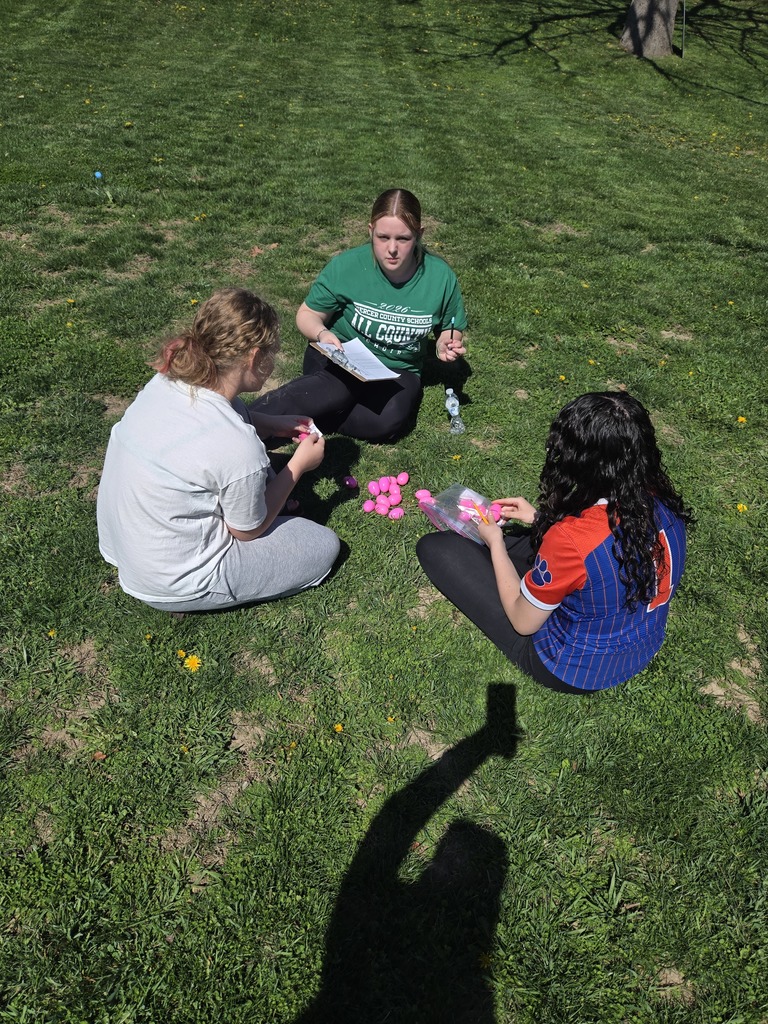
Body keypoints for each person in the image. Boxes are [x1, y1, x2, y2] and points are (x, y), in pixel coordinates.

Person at [416, 392, 693, 694]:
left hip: (573, 667)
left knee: (438, 549)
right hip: (639, 642)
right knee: (525, 546)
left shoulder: (571, 538)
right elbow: (605, 551)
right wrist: (538, 519)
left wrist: (495, 543)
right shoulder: (661, 500)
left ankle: (496, 551)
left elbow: (524, 623)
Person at [97, 288, 340, 614]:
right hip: (176, 581)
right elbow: (248, 530)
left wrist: (268, 422)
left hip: (130, 549)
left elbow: (221, 413)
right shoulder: (237, 446)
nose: (273, 362)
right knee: (322, 544)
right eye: (272, 354)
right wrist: (298, 466)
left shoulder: (167, 381)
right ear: (253, 358)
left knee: (251, 474)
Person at [249, 188, 468, 442]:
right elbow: (307, 314)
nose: (392, 249)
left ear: (420, 234)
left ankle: (316, 417)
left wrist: (445, 342)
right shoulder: (348, 266)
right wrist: (322, 333)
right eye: (383, 237)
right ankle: (244, 423)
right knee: (338, 391)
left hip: (398, 367)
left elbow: (450, 327)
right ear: (370, 231)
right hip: (343, 354)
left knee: (387, 423)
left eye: (404, 239)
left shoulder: (440, 276)